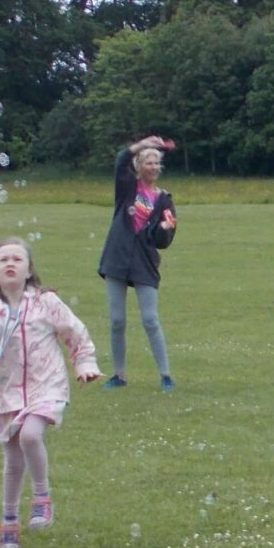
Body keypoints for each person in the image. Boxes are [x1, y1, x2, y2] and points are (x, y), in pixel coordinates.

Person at [0, 237, 99, 548]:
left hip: (46, 385)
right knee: (12, 460)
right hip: (5, 391)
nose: (10, 263)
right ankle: (8, 521)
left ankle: (42, 497)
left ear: (29, 270)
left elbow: (76, 333)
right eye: (3, 259)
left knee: (31, 436)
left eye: (17, 259)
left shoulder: (46, 303)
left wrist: (85, 364)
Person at [98, 134, 179, 392]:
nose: (153, 167)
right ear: (139, 166)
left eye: (156, 163)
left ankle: (166, 375)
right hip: (117, 258)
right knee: (117, 321)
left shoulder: (164, 200)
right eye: (148, 162)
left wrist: (164, 229)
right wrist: (141, 145)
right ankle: (119, 375)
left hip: (144, 263)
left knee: (150, 319)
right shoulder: (127, 188)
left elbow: (162, 242)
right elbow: (121, 160)